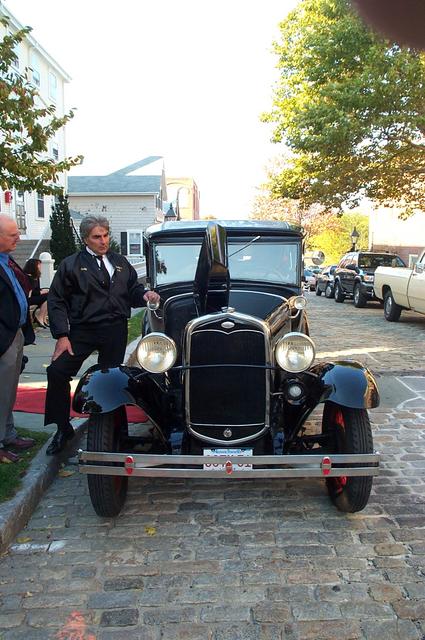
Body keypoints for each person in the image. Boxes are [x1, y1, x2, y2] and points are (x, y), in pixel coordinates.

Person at [44, 214, 160, 455]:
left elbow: (133, 289)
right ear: (86, 239)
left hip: (115, 330)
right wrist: (62, 335)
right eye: (97, 237)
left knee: (112, 380)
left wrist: (145, 295)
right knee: (57, 371)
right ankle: (62, 428)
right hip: (82, 331)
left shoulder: (120, 262)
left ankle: (115, 433)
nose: (103, 240)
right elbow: (56, 300)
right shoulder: (71, 265)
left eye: (106, 235)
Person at [0, 214, 36, 463]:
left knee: (9, 390)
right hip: (4, 337)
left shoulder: (7, 260)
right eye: (13, 235)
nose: (19, 239)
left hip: (15, 333)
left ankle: (9, 434)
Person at [23, 258, 49, 327]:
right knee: (48, 296)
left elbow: (37, 289)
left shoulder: (36, 276)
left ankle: (43, 318)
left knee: (50, 296)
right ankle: (39, 317)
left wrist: (43, 291)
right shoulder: (26, 277)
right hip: (28, 299)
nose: (40, 267)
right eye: (39, 265)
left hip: (34, 296)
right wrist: (41, 292)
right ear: (33, 266)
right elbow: (30, 291)